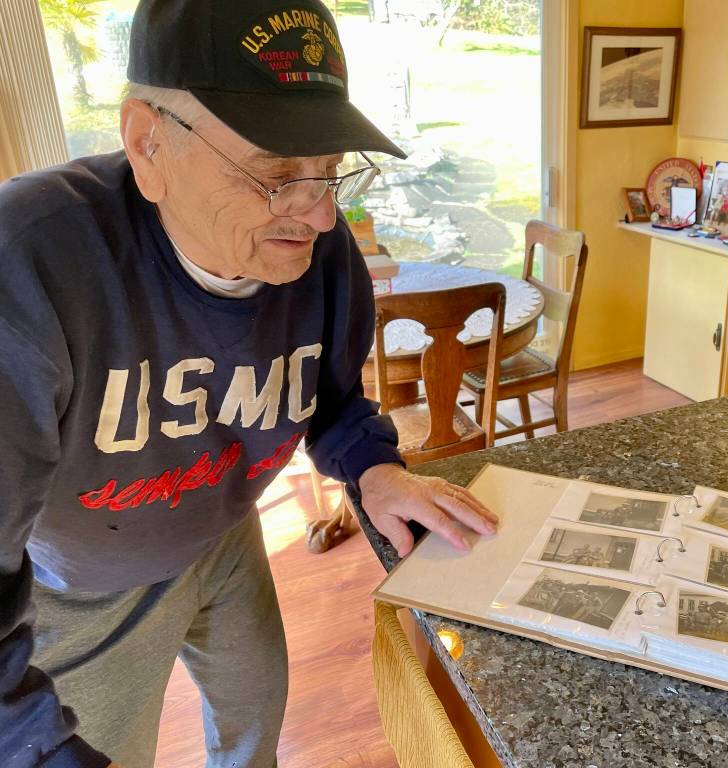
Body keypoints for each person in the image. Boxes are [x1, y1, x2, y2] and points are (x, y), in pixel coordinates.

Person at [0, 1, 500, 766]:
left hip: (226, 534)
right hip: (87, 585)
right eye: (276, 175)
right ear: (148, 144)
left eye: (330, 171)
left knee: (254, 721)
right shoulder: (28, 267)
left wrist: (375, 469)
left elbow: (328, 398)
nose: (319, 212)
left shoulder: (320, 254)